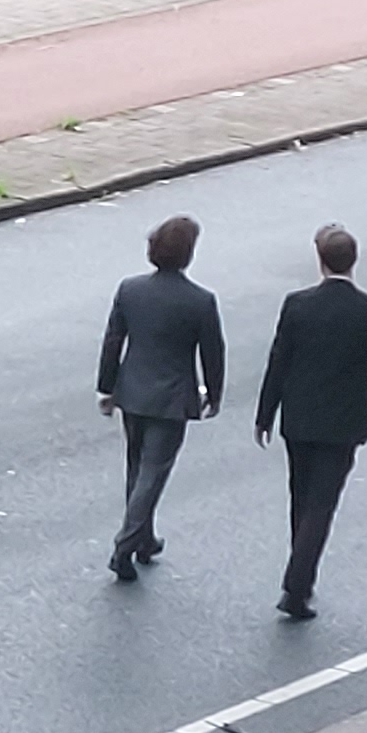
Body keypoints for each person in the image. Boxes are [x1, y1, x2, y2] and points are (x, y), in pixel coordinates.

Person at [254, 223, 367, 621]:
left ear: (320, 261)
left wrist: (265, 415)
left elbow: (278, 363)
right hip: (343, 425)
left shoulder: (297, 305)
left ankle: (300, 576)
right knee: (322, 504)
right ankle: (297, 586)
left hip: (298, 420)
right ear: (353, 261)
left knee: (300, 499)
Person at [95, 215, 223, 583]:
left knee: (136, 470)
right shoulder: (200, 301)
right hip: (172, 400)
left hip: (132, 393)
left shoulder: (130, 290)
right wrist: (213, 394)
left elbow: (113, 341)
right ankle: (125, 544)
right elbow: (212, 353)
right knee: (153, 473)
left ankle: (144, 539)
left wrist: (108, 387)